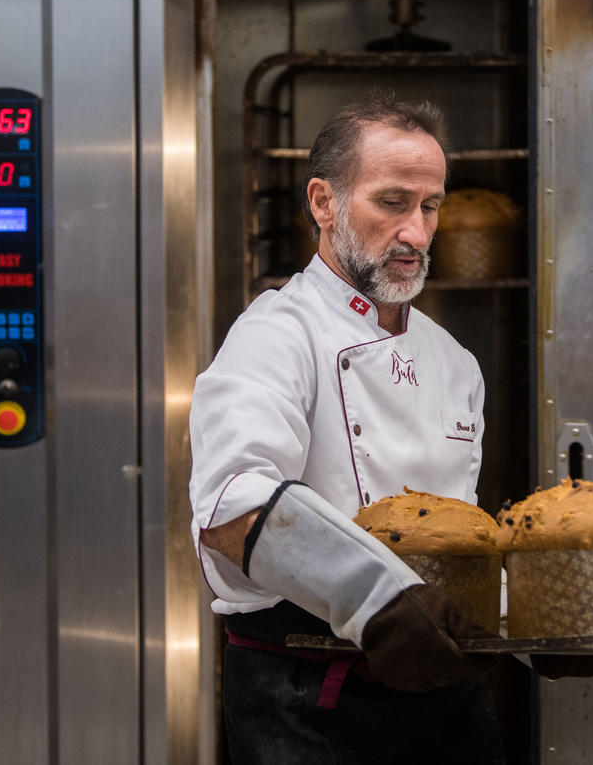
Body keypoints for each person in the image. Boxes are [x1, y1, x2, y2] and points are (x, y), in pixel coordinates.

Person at [188, 92, 505, 764]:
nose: (417, 233)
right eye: (392, 202)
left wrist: (542, 629)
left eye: (431, 205)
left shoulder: (455, 363)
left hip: (447, 703)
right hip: (308, 699)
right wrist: (378, 598)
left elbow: (457, 542)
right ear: (324, 204)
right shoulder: (277, 335)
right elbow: (231, 507)